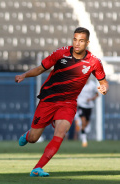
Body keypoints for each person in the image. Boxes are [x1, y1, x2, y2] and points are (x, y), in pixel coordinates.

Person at [15, 27, 109, 177]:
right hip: (48, 100)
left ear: (87, 43)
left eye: (81, 41)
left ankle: (37, 168)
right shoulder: (61, 53)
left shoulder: (94, 62)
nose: (77, 43)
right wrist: (24, 75)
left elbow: (103, 81)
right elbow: (40, 68)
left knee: (61, 132)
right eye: (75, 39)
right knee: (34, 138)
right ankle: (28, 136)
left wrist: (103, 88)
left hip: (68, 103)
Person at [77, 79, 99, 147]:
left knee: (86, 124)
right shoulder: (80, 84)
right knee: (83, 122)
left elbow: (97, 94)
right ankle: (84, 140)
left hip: (89, 106)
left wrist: (91, 99)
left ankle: (83, 132)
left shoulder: (92, 84)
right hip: (81, 105)